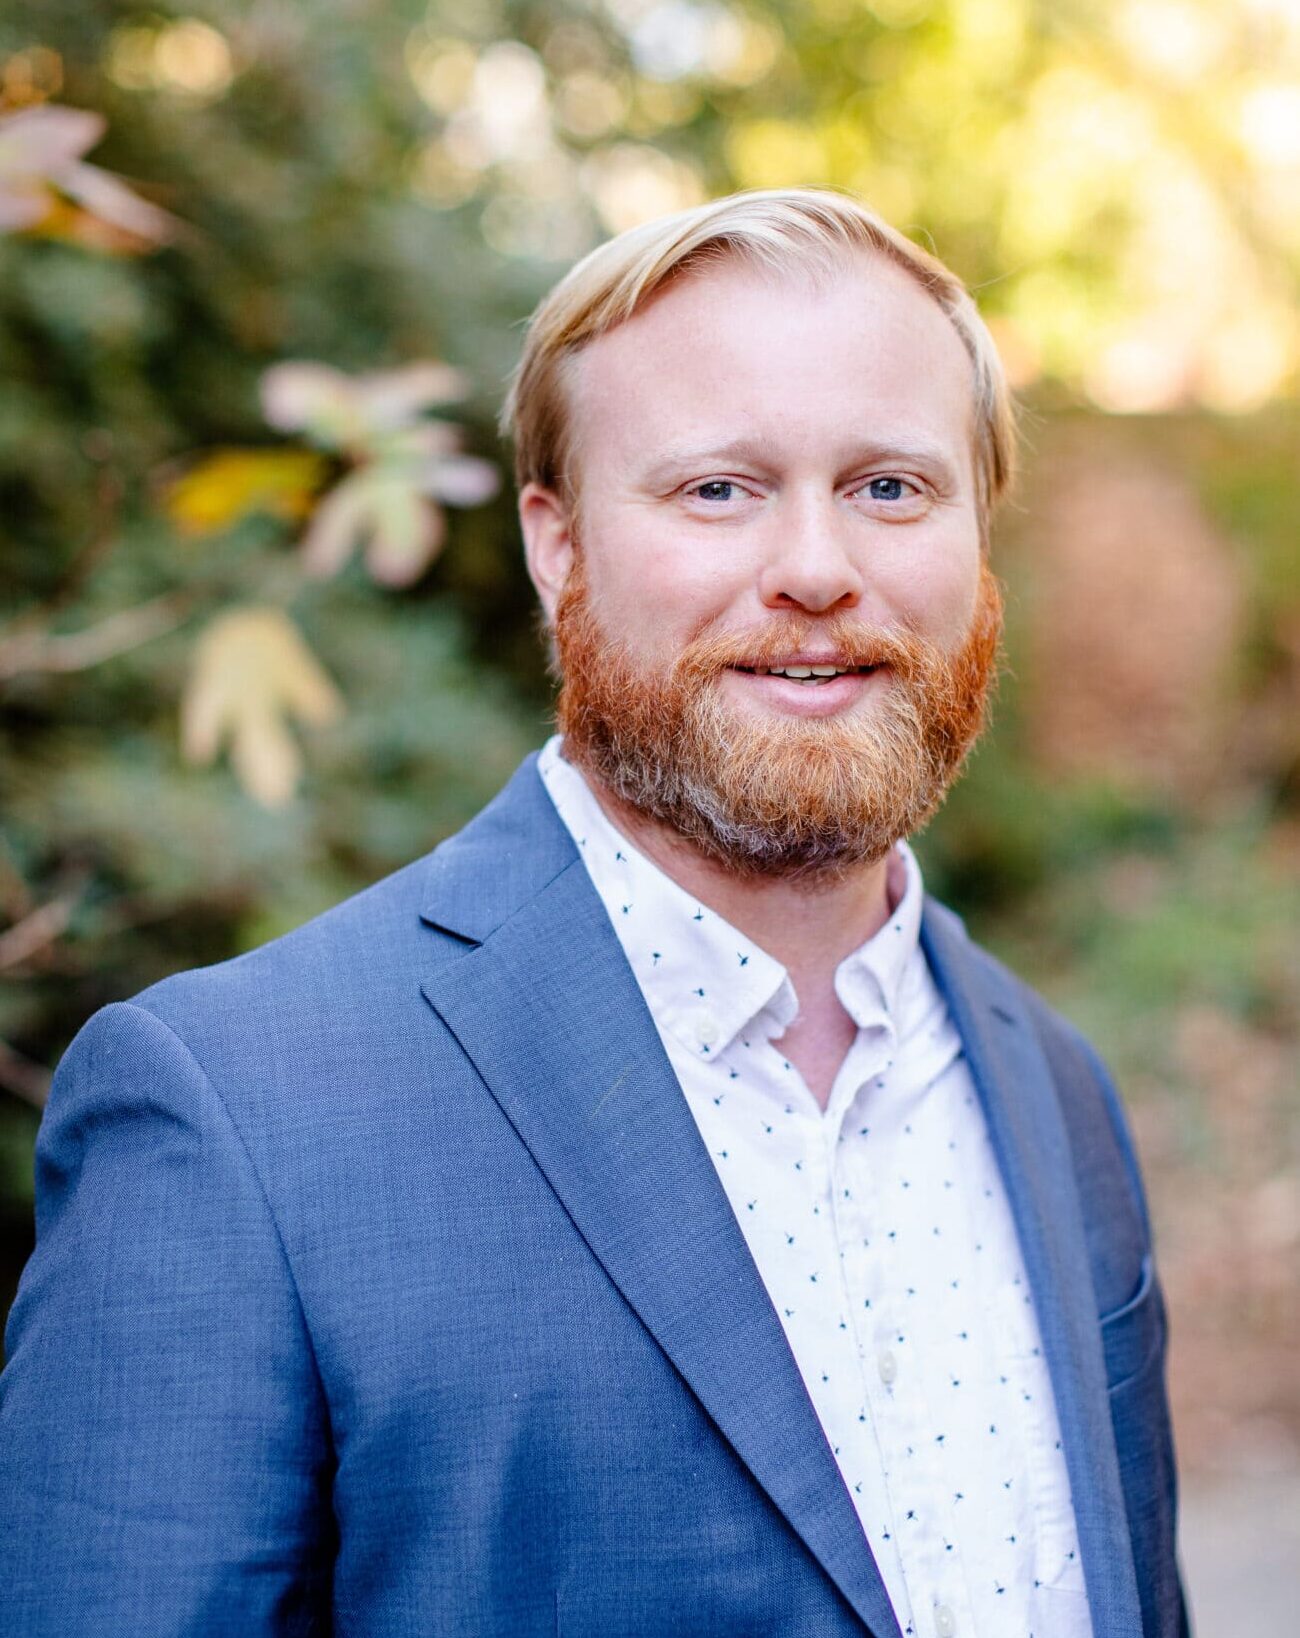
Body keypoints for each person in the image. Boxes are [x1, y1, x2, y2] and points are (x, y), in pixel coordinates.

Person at [0, 189, 1186, 1638]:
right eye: (717, 489)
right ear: (555, 545)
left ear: (977, 540)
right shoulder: (236, 1113)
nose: (818, 566)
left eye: (890, 486)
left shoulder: (1057, 1090)